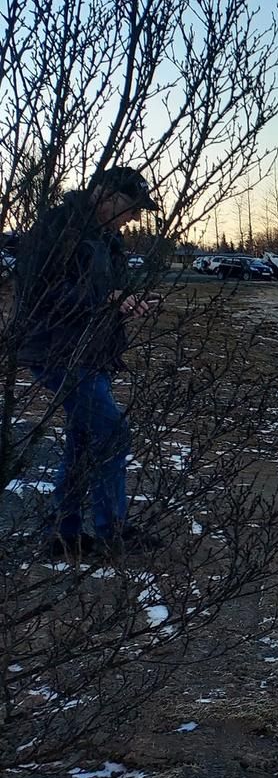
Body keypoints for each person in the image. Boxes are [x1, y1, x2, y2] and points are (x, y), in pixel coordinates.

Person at [13, 166, 162, 555]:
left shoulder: (106, 239)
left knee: (84, 438)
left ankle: (64, 533)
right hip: (59, 351)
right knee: (112, 432)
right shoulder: (58, 229)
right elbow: (39, 294)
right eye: (131, 208)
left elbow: (105, 290)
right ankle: (110, 530)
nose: (134, 219)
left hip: (91, 352)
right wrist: (106, 300)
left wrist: (127, 303)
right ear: (103, 193)